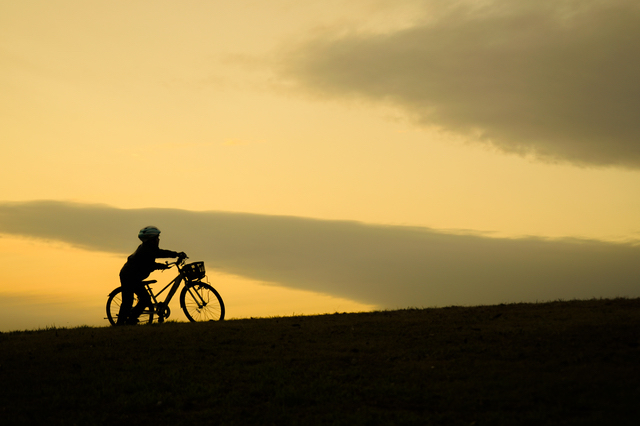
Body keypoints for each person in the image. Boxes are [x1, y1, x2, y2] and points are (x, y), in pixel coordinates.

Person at [116, 226, 186, 325]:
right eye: (156, 238)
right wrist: (162, 266)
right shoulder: (145, 251)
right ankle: (123, 323)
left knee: (141, 299)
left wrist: (176, 254)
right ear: (151, 240)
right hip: (129, 276)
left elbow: (160, 253)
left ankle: (130, 320)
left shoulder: (149, 248)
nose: (158, 239)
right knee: (131, 300)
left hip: (135, 276)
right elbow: (149, 265)